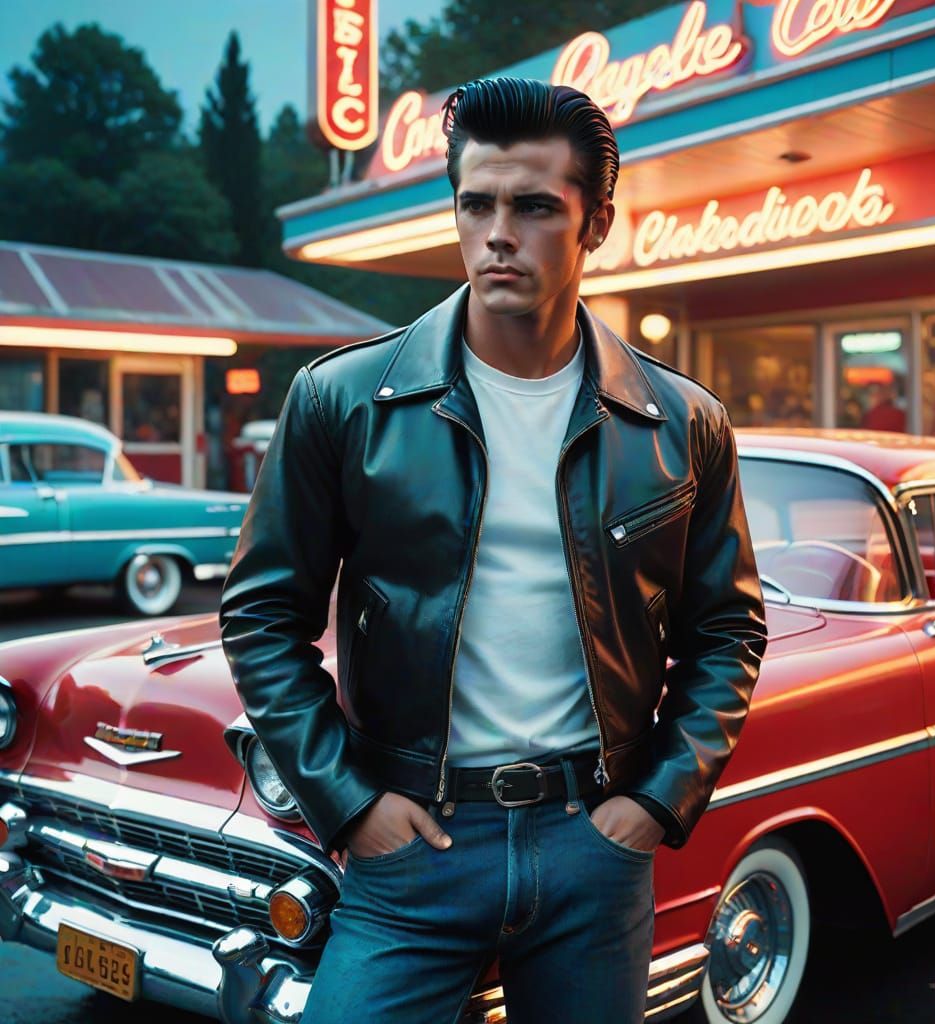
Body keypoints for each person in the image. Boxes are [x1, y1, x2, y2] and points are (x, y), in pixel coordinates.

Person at [220, 77, 767, 1024]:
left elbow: (727, 632)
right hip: (414, 848)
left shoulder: (682, 423)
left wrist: (653, 805)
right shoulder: (342, 400)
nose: (498, 234)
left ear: (597, 224)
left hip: (593, 842)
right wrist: (350, 803)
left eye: (535, 207)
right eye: (477, 204)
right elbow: (262, 615)